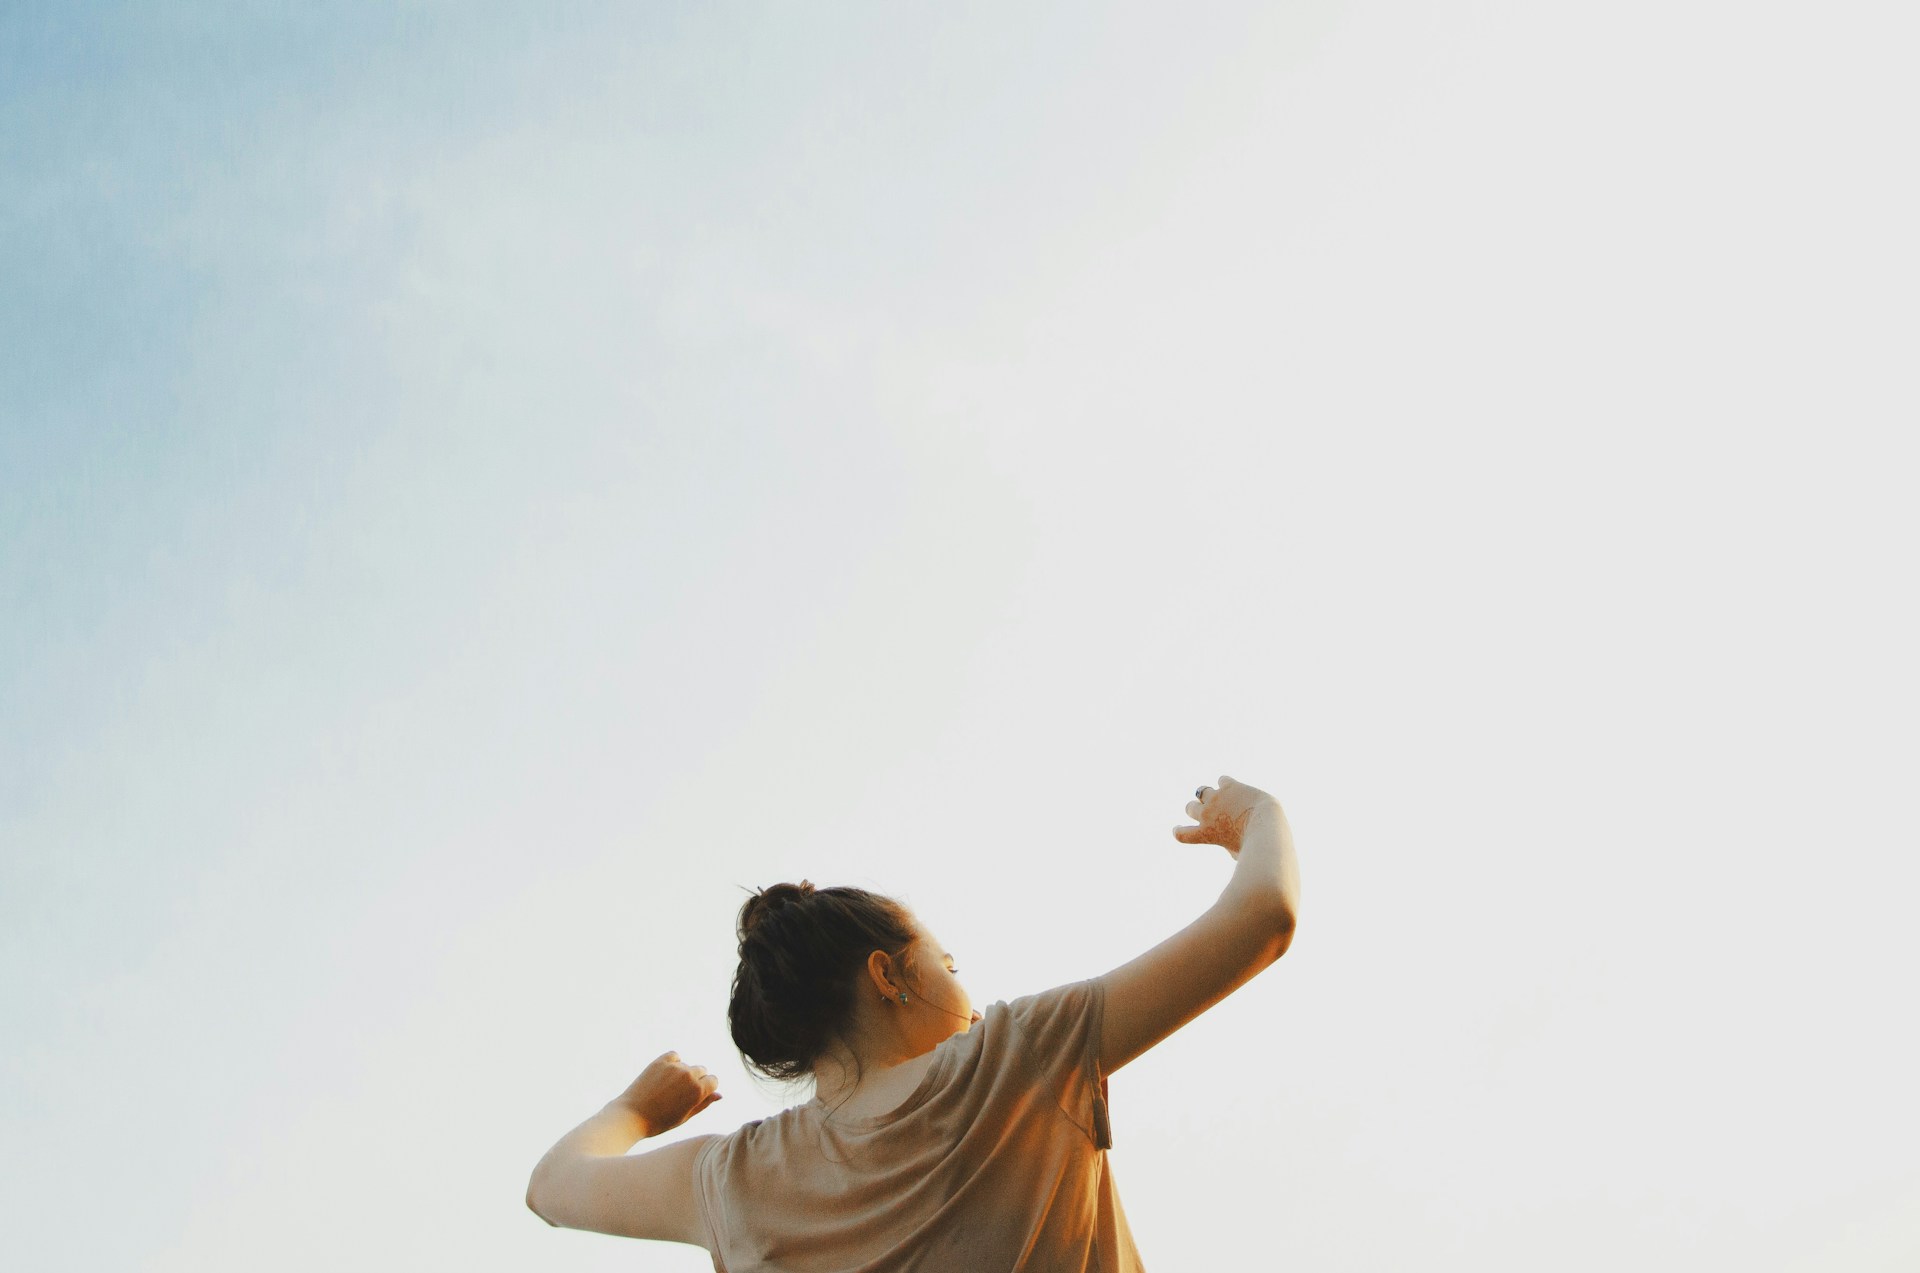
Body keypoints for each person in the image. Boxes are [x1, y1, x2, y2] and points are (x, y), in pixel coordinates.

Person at [527, 775, 1302, 1271]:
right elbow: (1264, 914)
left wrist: (635, 1109)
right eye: (948, 965)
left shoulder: (728, 1184)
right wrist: (1257, 814)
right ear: (888, 974)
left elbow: (553, 1186)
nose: (964, 985)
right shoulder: (1019, 1055)